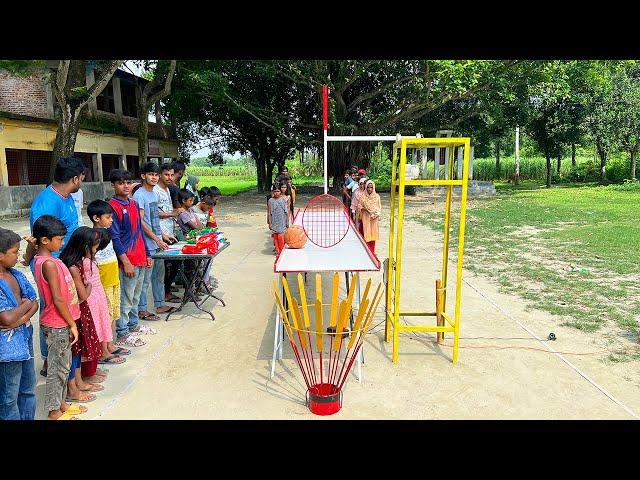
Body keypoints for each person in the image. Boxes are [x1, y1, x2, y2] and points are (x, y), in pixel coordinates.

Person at [24, 156, 85, 378]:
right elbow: (41, 241)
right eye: (82, 179)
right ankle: (50, 360)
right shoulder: (46, 203)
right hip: (52, 266)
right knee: (52, 309)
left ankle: (67, 363)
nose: (82, 183)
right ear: (75, 178)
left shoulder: (67, 197)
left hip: (66, 262)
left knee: (65, 308)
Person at [32, 215, 82, 420]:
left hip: (59, 322)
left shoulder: (45, 259)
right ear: (45, 240)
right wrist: (72, 324)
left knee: (62, 366)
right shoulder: (49, 264)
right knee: (58, 369)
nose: (62, 243)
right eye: (59, 239)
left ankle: (59, 402)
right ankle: (53, 411)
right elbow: (58, 298)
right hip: (58, 323)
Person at [107, 169, 154, 349]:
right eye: (120, 183)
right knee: (125, 298)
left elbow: (139, 231)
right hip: (127, 260)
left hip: (140, 255)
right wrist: (125, 261)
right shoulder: (112, 207)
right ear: (113, 186)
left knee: (136, 295)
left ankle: (133, 325)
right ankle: (122, 333)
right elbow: (114, 237)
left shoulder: (133, 204)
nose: (125, 186)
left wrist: (148, 254)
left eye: (128, 182)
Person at [60, 227, 106, 403]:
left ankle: (79, 382)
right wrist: (89, 285)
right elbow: (83, 294)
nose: (96, 249)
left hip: (80, 311)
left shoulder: (77, 262)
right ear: (86, 246)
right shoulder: (72, 266)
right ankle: (73, 388)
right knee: (74, 351)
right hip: (74, 313)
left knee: (78, 350)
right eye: (95, 246)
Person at [0, 228, 39, 420]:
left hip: (24, 338)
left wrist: (21, 319)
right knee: (8, 399)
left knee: (28, 390)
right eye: (14, 252)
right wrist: (25, 307)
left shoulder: (17, 275)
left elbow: (34, 301)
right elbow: (5, 319)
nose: (18, 256)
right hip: (7, 350)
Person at [88, 200, 130, 359]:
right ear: (96, 218)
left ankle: (110, 344)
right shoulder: (93, 237)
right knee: (104, 316)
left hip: (113, 280)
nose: (111, 220)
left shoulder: (108, 233)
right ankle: (102, 350)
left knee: (113, 314)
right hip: (102, 283)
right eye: (108, 217)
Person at [134, 162, 175, 320]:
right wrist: (156, 239)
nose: (154, 177)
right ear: (143, 175)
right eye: (151, 174)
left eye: (156, 175)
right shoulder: (140, 195)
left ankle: (160, 304)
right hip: (147, 244)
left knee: (159, 275)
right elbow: (141, 222)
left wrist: (162, 235)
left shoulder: (153, 194)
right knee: (144, 281)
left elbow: (154, 218)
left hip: (157, 241)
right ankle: (142, 310)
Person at [156, 163, 181, 304]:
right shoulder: (156, 191)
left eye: (172, 175)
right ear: (160, 174)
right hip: (160, 234)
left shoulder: (168, 190)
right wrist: (172, 213)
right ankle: (163, 295)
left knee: (174, 263)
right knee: (164, 267)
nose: (170, 177)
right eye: (166, 174)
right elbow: (152, 214)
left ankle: (167, 290)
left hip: (169, 232)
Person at [358, 180, 381, 255]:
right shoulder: (363, 197)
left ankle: (372, 253)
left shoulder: (377, 197)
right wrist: (364, 209)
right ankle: (364, 254)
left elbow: (378, 208)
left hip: (373, 220)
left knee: (372, 236)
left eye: (371, 187)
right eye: (368, 187)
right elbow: (359, 206)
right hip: (364, 220)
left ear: (374, 188)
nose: (369, 189)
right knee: (364, 236)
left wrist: (375, 214)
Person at [267, 184, 289, 255]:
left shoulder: (283, 200)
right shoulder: (270, 200)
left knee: (281, 236)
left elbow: (286, 212)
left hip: (282, 221)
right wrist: (269, 223)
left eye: (278, 191)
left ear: (280, 192)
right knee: (275, 236)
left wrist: (287, 222)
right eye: (275, 191)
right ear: (273, 192)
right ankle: (278, 251)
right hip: (274, 221)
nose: (277, 193)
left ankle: (282, 251)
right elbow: (269, 212)